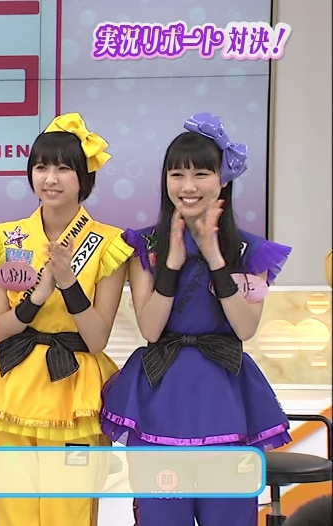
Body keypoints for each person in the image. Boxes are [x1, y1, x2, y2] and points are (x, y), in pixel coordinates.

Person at [100, 112, 293, 526]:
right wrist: (171, 263)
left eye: (201, 174)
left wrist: (214, 258)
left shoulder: (250, 251)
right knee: (161, 515)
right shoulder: (144, 245)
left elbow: (245, 328)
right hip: (160, 389)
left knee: (229, 515)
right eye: (177, 175)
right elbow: (151, 328)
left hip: (225, 391)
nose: (188, 187)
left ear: (223, 180)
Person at [0, 113, 133, 526]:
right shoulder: (7, 238)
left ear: (84, 177)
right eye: (41, 167)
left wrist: (69, 284)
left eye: (63, 168)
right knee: (15, 512)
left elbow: (96, 338)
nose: (50, 178)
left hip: (74, 386)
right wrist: (38, 297)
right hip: (13, 383)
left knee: (69, 513)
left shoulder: (110, 243)